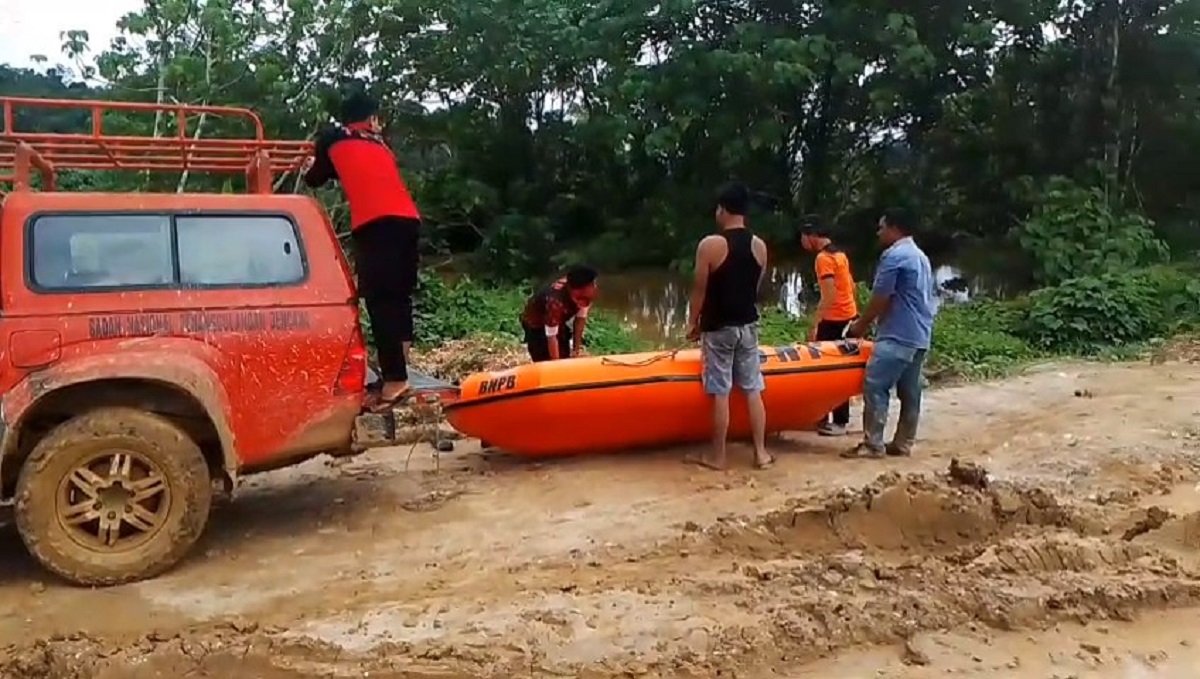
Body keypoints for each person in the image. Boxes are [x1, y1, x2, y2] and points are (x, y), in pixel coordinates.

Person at [303, 91, 422, 412]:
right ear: (371, 119)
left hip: (376, 222)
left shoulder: (331, 137)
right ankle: (400, 370)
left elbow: (315, 179)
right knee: (400, 297)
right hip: (409, 221)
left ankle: (395, 381)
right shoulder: (381, 144)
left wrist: (308, 166)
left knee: (380, 301)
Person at [684, 182, 773, 471]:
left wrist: (692, 323)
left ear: (722, 209)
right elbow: (754, 287)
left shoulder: (711, 245)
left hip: (718, 327)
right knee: (752, 388)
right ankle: (761, 453)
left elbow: (700, 290)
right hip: (748, 325)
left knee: (720, 390)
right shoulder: (759, 245)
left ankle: (717, 456)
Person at [843, 208, 937, 459]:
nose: (879, 232)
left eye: (882, 227)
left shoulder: (894, 256)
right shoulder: (920, 256)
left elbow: (880, 297)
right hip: (919, 334)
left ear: (894, 229)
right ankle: (904, 442)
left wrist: (859, 326)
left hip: (898, 333)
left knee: (875, 383)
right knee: (910, 391)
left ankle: (873, 443)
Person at [799, 216, 859, 436]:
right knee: (839, 366)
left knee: (828, 370)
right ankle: (826, 417)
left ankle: (835, 419)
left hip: (834, 319)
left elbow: (829, 293)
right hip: (848, 316)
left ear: (812, 236)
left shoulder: (823, 259)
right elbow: (851, 286)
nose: (802, 242)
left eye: (803, 237)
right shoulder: (840, 255)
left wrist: (815, 323)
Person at [520, 266, 598, 362]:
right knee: (544, 358)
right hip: (536, 324)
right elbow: (551, 336)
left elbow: (580, 320)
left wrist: (576, 350)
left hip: (559, 321)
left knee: (564, 354)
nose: (595, 286)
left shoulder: (586, 293)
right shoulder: (555, 302)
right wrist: (556, 365)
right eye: (593, 284)